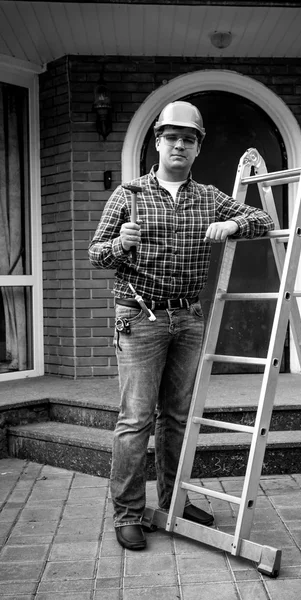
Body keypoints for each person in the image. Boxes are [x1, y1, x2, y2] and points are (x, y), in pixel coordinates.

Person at [88, 100, 275, 551]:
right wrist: (118, 243)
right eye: (171, 137)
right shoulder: (128, 195)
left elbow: (263, 219)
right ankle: (129, 513)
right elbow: (96, 254)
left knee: (177, 418)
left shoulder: (209, 196)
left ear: (197, 148)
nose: (179, 145)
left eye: (188, 139)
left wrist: (231, 224)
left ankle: (172, 502)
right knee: (135, 420)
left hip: (189, 317)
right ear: (158, 142)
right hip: (139, 319)